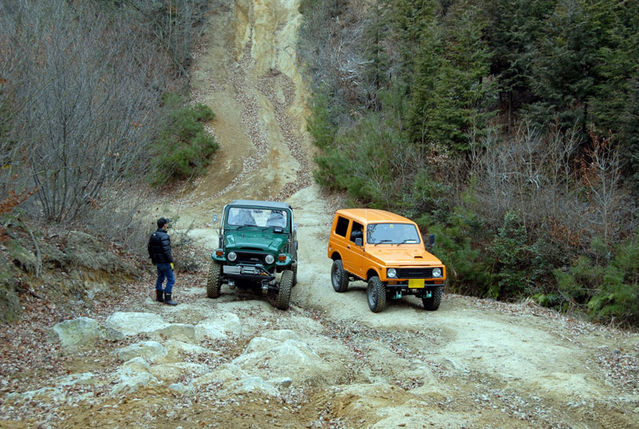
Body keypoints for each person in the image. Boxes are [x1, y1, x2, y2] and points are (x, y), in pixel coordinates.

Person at [147, 217, 177, 305]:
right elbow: (166, 251)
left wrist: (153, 259)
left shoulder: (153, 235)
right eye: (166, 223)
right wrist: (171, 261)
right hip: (165, 262)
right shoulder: (165, 236)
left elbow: (149, 248)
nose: (167, 225)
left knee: (160, 278)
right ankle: (168, 298)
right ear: (164, 225)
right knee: (171, 280)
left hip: (158, 262)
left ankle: (159, 297)